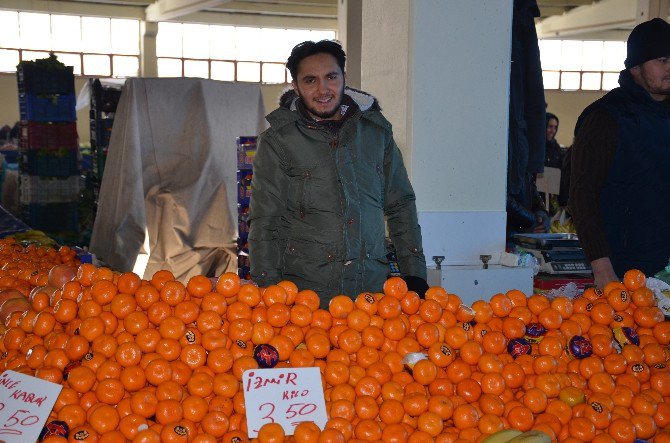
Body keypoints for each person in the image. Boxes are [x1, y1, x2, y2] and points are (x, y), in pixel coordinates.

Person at [247, 40, 428, 308]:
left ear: (344, 77)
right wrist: (267, 291)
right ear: (296, 86)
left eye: (331, 77)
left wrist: (414, 274)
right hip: (306, 297)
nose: (323, 89)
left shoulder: (376, 133)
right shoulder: (278, 141)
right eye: (310, 80)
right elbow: (265, 221)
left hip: (372, 293)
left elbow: (400, 204)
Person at [570, 17, 670, 289]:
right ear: (636, 66)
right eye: (662, 60)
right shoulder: (605, 118)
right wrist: (601, 267)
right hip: (622, 272)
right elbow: (582, 194)